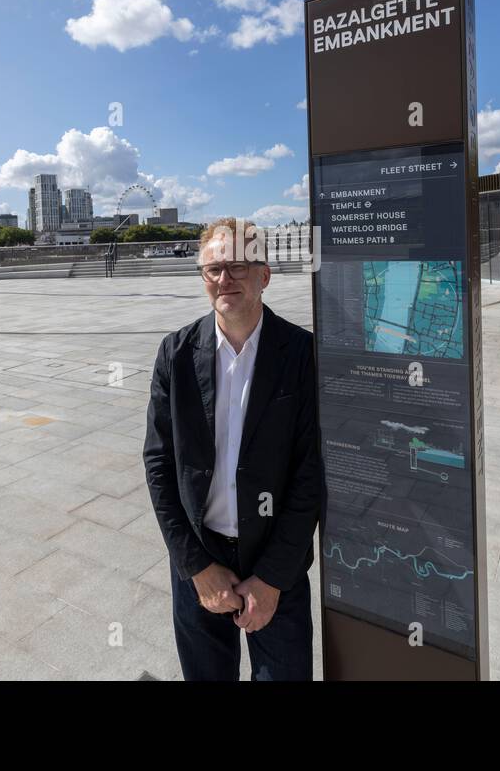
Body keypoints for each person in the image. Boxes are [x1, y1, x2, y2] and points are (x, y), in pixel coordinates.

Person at [143, 216, 324, 681]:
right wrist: (196, 567)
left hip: (275, 567)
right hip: (201, 562)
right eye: (214, 269)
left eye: (240, 266)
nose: (225, 279)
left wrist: (271, 579)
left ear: (264, 275)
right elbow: (159, 464)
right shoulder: (175, 354)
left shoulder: (302, 355)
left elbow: (310, 474)